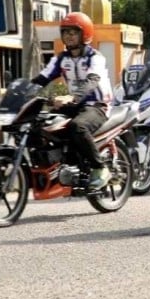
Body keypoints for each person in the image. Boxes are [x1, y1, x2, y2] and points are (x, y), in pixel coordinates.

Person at [31, 12, 114, 189]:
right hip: (73, 105)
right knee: (39, 124)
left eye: (73, 32)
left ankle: (100, 168)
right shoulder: (61, 59)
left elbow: (92, 80)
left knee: (78, 127)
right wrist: (23, 92)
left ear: (84, 34)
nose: (69, 36)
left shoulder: (95, 57)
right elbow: (42, 78)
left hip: (97, 105)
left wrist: (72, 96)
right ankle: (64, 164)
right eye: (65, 32)